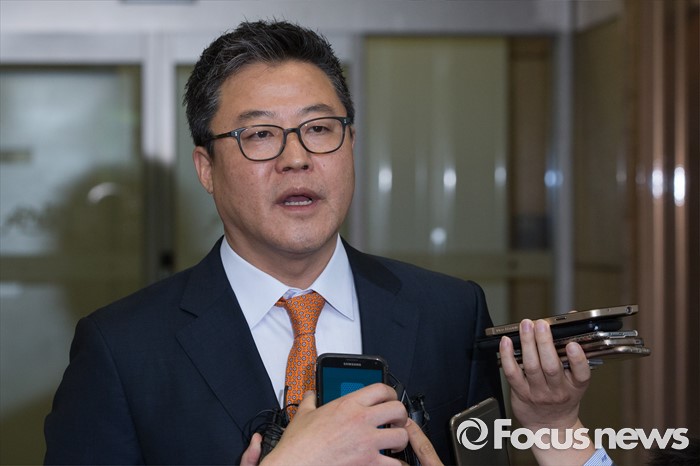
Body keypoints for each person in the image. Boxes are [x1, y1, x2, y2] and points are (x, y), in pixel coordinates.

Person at [44, 20, 599, 465]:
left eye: (318, 128)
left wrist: (555, 428)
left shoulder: (449, 313)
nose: (297, 158)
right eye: (260, 134)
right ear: (206, 168)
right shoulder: (123, 349)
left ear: (350, 143)